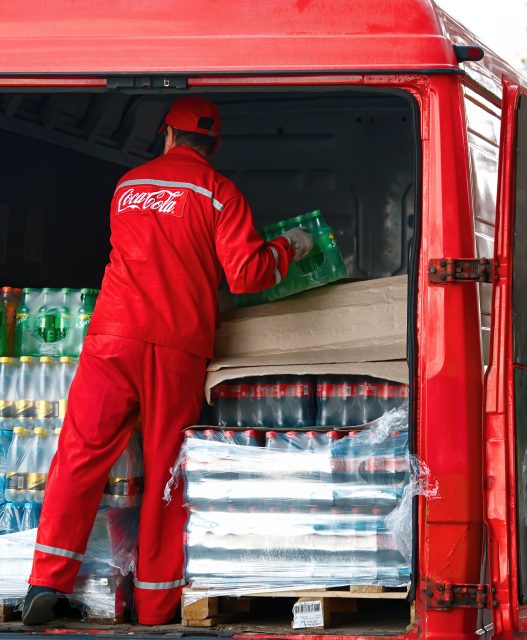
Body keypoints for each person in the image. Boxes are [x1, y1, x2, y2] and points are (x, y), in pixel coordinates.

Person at [22, 96, 314, 626]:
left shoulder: (128, 186)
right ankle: (156, 607)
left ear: (167, 136)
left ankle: (45, 581)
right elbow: (247, 274)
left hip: (112, 336)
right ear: (214, 145)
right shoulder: (219, 193)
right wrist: (290, 247)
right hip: (175, 346)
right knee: (164, 476)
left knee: (81, 454)